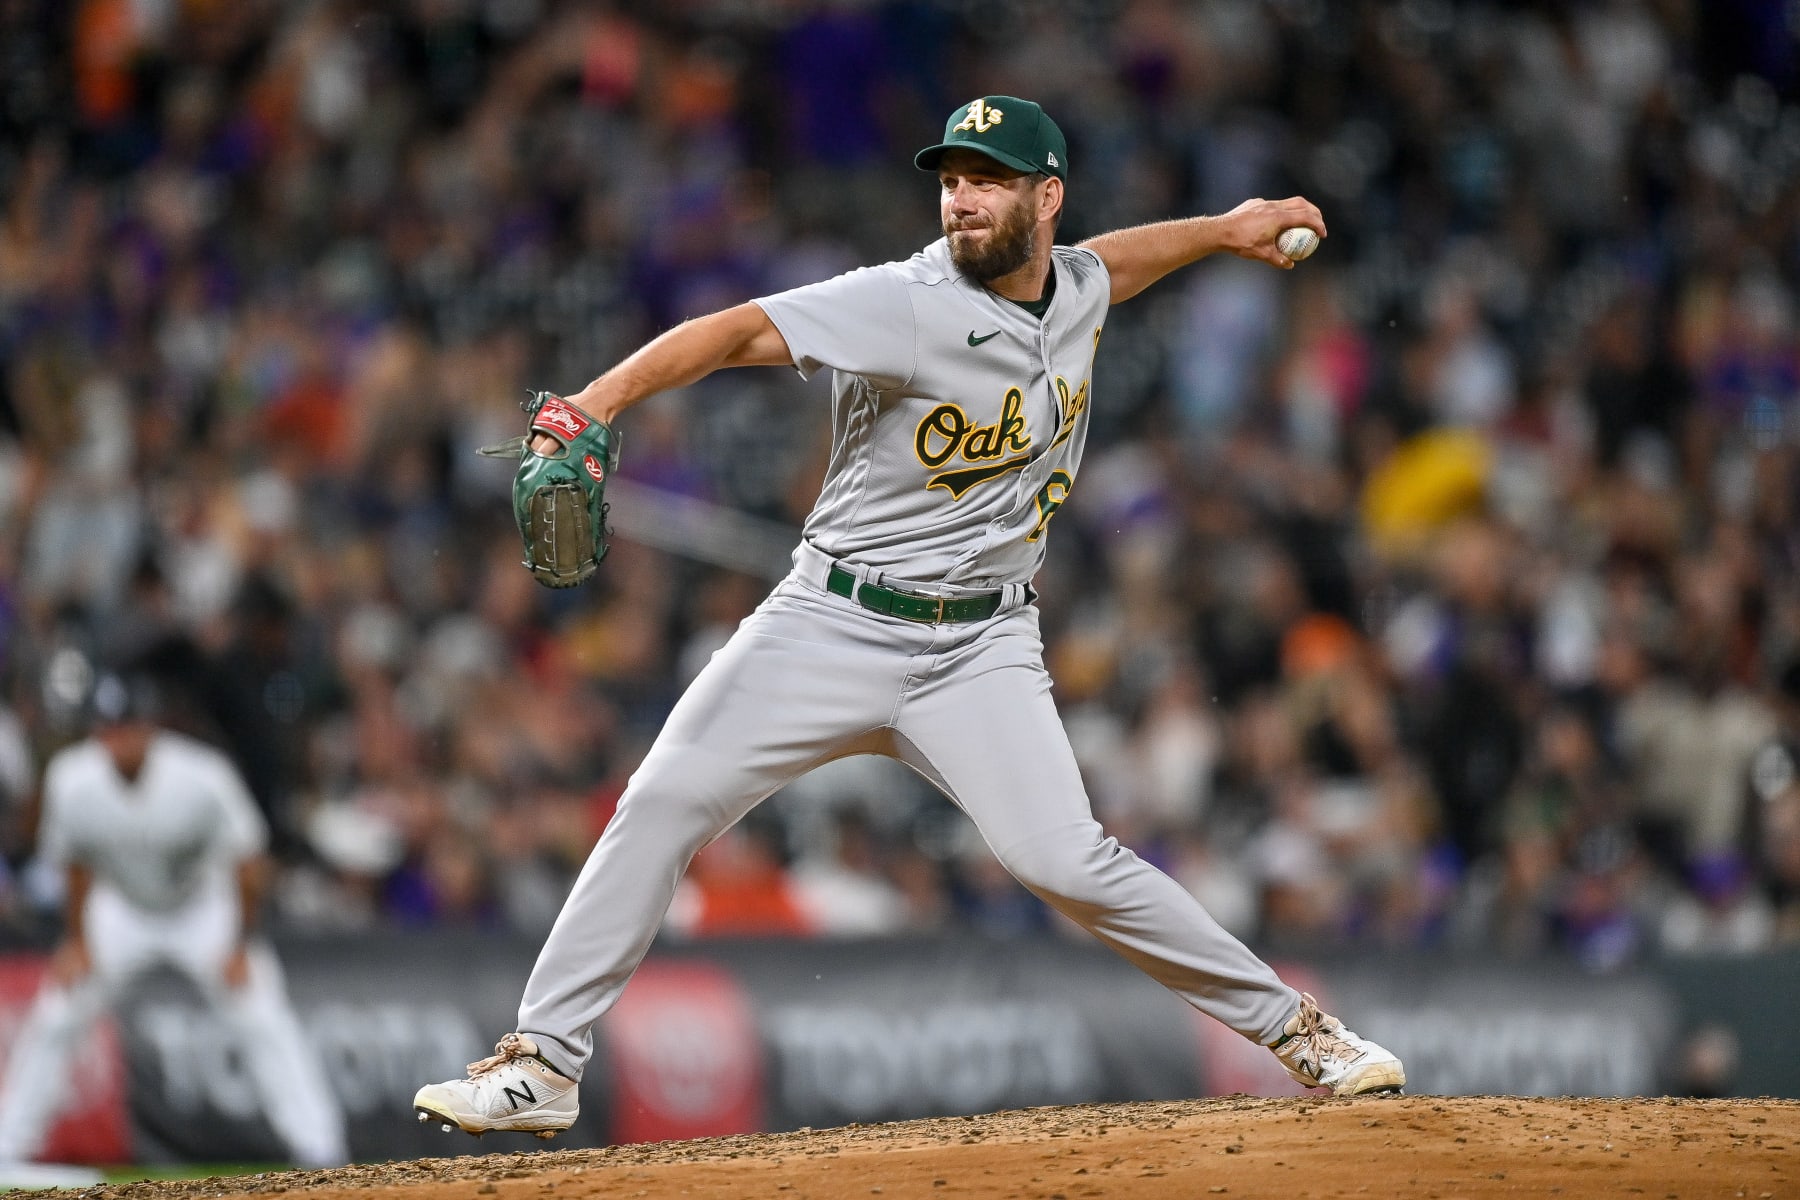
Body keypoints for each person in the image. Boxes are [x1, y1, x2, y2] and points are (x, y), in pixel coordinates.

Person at [414, 95, 1403, 1137]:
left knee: (1065, 860)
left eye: (988, 180)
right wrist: (595, 401)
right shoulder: (905, 302)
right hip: (832, 621)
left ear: (1046, 197)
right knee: (660, 801)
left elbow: (1113, 267)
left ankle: (1303, 1034)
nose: (961, 199)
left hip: (982, 642)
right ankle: (544, 1063)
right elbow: (738, 329)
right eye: (951, 179)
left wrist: (1224, 228)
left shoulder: (1074, 289)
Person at [0, 670, 347, 1168]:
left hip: (201, 907)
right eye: (111, 728)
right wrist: (78, 940)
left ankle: (320, 1147)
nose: (121, 739)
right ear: (98, 732)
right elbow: (75, 865)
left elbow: (248, 863)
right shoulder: (72, 779)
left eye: (131, 727)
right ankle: (9, 1149)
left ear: (151, 729)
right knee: (57, 1012)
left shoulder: (201, 776)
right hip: (120, 910)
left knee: (261, 1015)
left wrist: (239, 943)